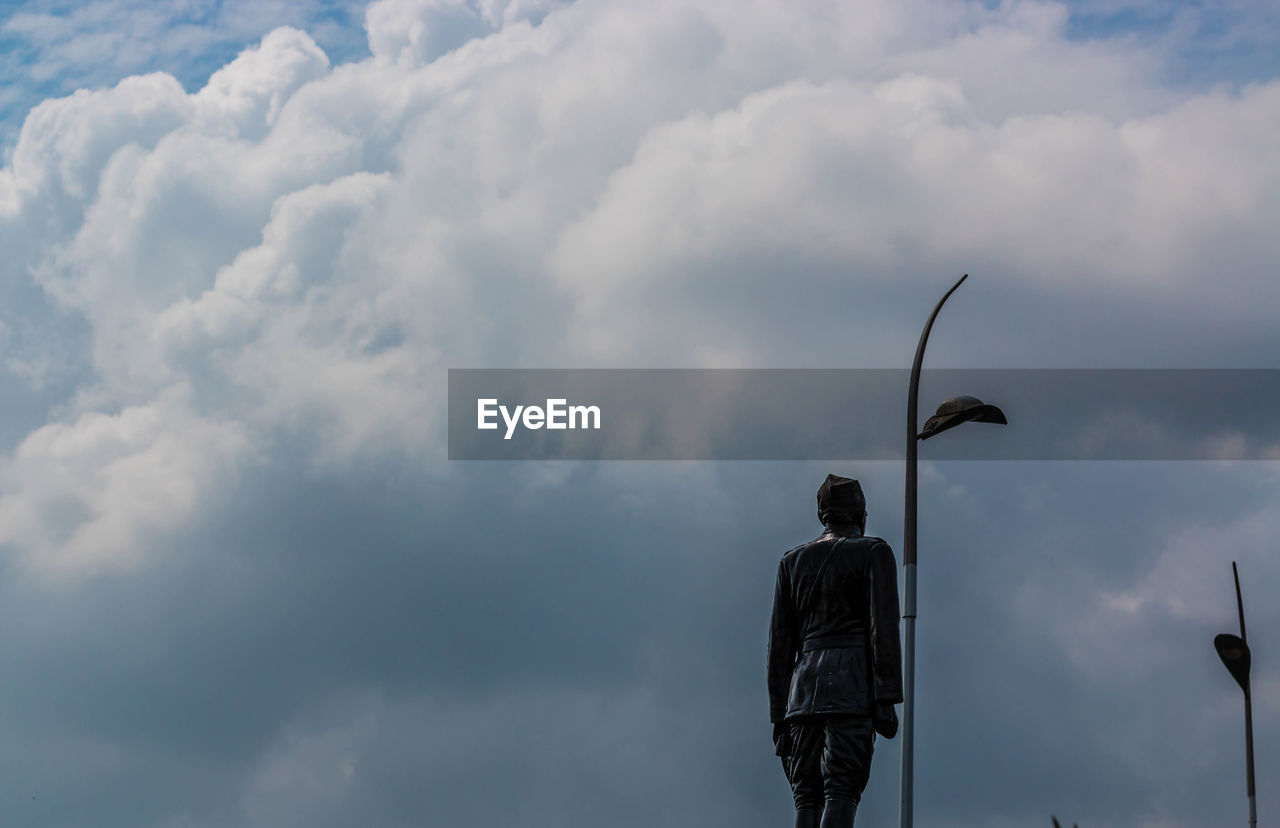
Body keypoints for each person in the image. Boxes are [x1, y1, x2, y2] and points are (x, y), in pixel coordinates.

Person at [767, 474, 904, 828]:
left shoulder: (791, 562)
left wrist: (779, 714)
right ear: (861, 512)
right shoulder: (874, 552)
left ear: (821, 514)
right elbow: (883, 629)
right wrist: (886, 697)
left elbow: (780, 647)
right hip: (851, 688)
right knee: (842, 789)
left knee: (806, 796)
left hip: (801, 696)